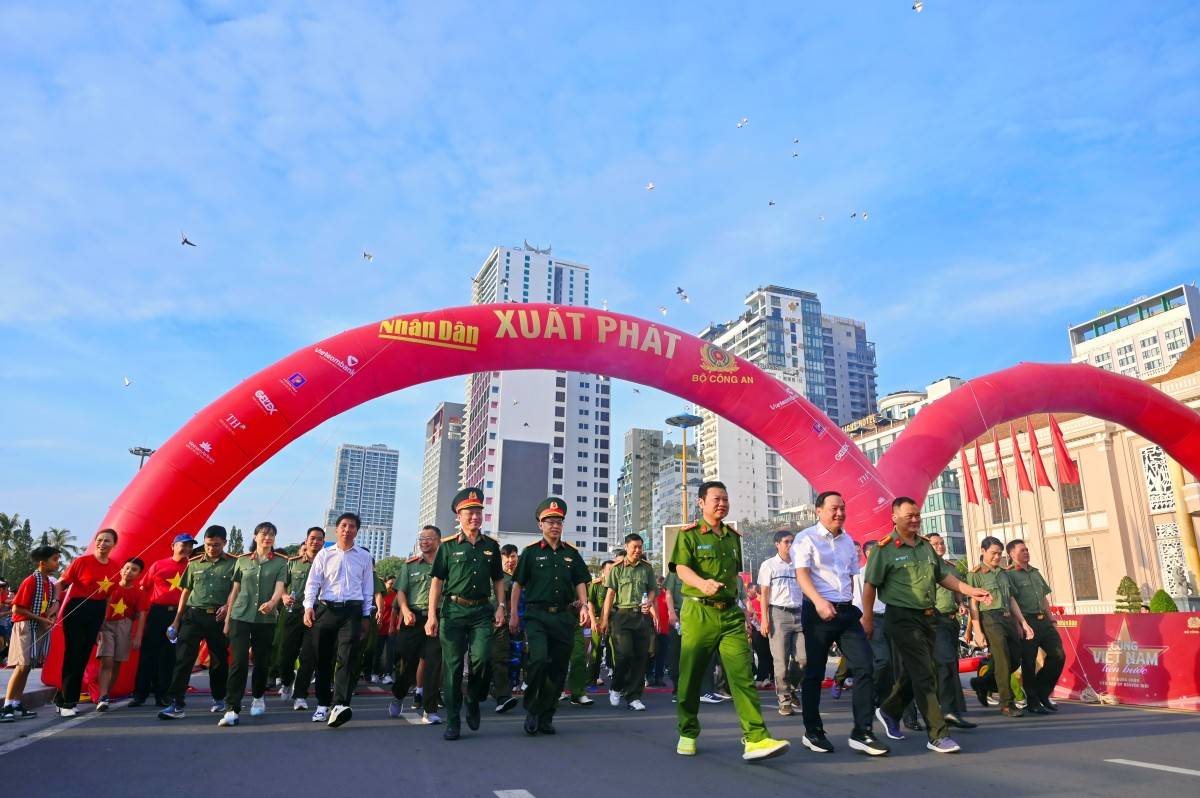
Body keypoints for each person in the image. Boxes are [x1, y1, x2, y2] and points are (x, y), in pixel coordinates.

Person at [671, 480, 790, 761]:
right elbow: (681, 569)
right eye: (716, 499)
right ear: (701, 503)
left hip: (731, 615)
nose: (722, 503)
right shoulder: (688, 535)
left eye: (725, 498)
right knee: (690, 677)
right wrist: (702, 584)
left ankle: (756, 737)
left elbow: (735, 576)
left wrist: (746, 611)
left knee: (743, 675)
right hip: (699, 612)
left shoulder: (733, 536)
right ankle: (687, 731)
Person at [863, 498, 992, 754]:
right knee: (924, 674)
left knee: (924, 669)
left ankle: (889, 711)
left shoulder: (925, 547)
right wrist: (867, 618)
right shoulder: (884, 549)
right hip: (901, 618)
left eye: (917, 515)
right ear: (894, 517)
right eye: (909, 515)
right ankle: (937, 734)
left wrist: (970, 591)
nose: (915, 519)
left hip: (928, 616)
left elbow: (944, 577)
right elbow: (870, 585)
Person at [793, 491, 889, 757]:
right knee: (814, 672)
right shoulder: (805, 539)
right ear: (819, 511)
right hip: (818, 611)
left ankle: (863, 732)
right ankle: (813, 731)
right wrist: (819, 602)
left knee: (865, 667)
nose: (840, 513)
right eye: (834, 508)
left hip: (847, 613)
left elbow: (852, 580)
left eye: (843, 509)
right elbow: (801, 575)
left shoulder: (848, 542)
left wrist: (862, 613)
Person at [425, 488, 505, 741]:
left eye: (479, 512)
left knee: (482, 659)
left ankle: (473, 698)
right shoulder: (448, 547)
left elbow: (498, 580)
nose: (475, 517)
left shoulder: (491, 546)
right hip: (453, 611)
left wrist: (501, 606)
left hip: (482, 611)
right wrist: (431, 616)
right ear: (459, 516)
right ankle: (452, 720)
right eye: (470, 512)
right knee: (453, 667)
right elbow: (437, 582)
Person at [510, 497, 591, 735]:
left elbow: (580, 581)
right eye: (549, 522)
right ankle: (532, 707)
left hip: (564, 617)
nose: (554, 526)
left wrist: (584, 606)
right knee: (538, 659)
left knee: (557, 669)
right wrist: (513, 613)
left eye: (558, 522)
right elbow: (517, 585)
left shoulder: (571, 554)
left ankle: (546, 715)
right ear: (540, 525)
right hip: (537, 616)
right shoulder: (531, 553)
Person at [304, 512, 375, 728]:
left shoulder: (363, 556)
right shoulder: (324, 555)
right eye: (343, 525)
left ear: (357, 530)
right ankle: (323, 704)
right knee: (323, 659)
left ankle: (340, 705)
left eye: (352, 526)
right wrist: (308, 607)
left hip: (351, 612)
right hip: (326, 610)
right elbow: (313, 583)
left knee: (348, 657)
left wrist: (365, 615)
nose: (347, 529)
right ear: (336, 529)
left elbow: (367, 589)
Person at [159, 525, 237, 720]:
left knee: (218, 661)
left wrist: (228, 607)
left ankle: (219, 699)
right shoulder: (194, 563)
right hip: (193, 616)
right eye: (209, 545)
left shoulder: (234, 564)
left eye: (217, 545)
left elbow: (237, 590)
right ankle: (176, 704)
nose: (212, 549)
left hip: (218, 617)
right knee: (183, 659)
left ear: (225, 543)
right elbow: (185, 592)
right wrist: (176, 622)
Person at [218, 522, 288, 727]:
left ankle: (258, 696)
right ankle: (232, 708)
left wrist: (273, 603)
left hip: (265, 619)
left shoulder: (281, 563)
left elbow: (280, 588)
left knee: (261, 661)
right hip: (240, 616)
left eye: (272, 535)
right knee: (238, 662)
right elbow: (235, 591)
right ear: (255, 536)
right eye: (264, 534)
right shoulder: (241, 561)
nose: (267, 537)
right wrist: (228, 620)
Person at [54, 528, 123, 716]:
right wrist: (54, 603)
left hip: (97, 611)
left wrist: (102, 620)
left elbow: (108, 598)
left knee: (83, 656)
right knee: (73, 654)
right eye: (99, 540)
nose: (102, 543)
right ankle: (68, 702)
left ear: (114, 544)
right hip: (77, 609)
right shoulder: (81, 562)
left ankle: (62, 698)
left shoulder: (115, 567)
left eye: (107, 541)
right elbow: (61, 582)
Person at [967, 536, 1034, 718]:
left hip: (1007, 618)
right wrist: (977, 631)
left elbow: (1011, 599)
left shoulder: (1004, 573)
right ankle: (1007, 703)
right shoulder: (975, 574)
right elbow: (973, 603)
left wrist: (1022, 622)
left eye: (999, 553)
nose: (997, 557)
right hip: (990, 618)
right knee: (1002, 659)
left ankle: (982, 684)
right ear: (983, 551)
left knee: (1014, 659)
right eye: (993, 553)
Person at [131, 533, 194, 708]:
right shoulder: (158, 565)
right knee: (148, 654)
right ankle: (140, 694)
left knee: (169, 656)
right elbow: (144, 587)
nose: (187, 549)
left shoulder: (192, 567)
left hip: (179, 615)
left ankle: (164, 695)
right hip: (157, 613)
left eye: (190, 546)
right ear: (173, 546)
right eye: (184, 545)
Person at [389, 525, 443, 724]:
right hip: (413, 619)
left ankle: (430, 709)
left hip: (437, 617)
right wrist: (404, 611)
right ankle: (398, 693)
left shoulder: (445, 564)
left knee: (432, 663)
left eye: (429, 538)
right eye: (421, 538)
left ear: (438, 541)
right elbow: (401, 591)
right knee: (409, 664)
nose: (424, 542)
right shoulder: (410, 565)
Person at [1, 546, 60, 722]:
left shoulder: (48, 583)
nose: (57, 563)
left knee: (27, 667)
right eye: (55, 559)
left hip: (37, 626)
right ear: (42, 563)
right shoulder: (31, 581)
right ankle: (6, 706)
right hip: (26, 626)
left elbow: (48, 605)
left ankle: (17, 703)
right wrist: (40, 619)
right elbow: (17, 608)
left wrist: (50, 615)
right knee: (21, 666)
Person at [1005, 539, 1065, 714]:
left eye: (1027, 550)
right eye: (1022, 550)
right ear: (1011, 554)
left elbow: (1044, 599)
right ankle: (1032, 701)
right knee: (1029, 663)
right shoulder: (1009, 574)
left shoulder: (1035, 572)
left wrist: (1052, 620)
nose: (1026, 552)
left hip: (1044, 621)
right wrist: (1019, 624)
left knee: (1058, 655)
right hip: (1027, 621)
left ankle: (1043, 692)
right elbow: (1011, 601)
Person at [601, 532, 658, 711]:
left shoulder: (647, 568)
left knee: (641, 657)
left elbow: (652, 590)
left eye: (640, 547)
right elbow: (610, 595)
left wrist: (649, 602)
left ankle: (634, 696)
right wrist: (604, 619)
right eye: (634, 547)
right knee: (624, 654)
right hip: (621, 616)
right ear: (626, 547)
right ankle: (616, 687)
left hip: (641, 617)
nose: (638, 550)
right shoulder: (617, 568)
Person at [927, 533, 974, 729]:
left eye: (942, 543)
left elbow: (956, 591)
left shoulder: (950, 568)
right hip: (934, 622)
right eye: (935, 544)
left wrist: (961, 603)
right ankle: (946, 710)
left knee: (949, 664)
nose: (940, 546)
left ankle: (949, 709)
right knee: (944, 663)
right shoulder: (927, 567)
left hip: (952, 621)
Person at [278, 526, 324, 710]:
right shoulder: (293, 563)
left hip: (316, 614)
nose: (315, 542)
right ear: (306, 540)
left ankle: (300, 695)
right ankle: (287, 681)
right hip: (294, 613)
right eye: (312, 538)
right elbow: (281, 585)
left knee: (308, 657)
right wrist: (283, 596)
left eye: (320, 539)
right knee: (286, 655)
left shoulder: (327, 562)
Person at [758, 530, 804, 714]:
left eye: (792, 541)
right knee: (781, 661)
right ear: (777, 544)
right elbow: (764, 595)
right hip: (778, 614)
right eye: (786, 542)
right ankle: (784, 699)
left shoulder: (800, 564)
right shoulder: (769, 565)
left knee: (803, 658)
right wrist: (764, 619)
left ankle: (791, 688)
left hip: (800, 613)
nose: (790, 545)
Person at [95, 557, 149, 712]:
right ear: (121, 570)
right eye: (126, 568)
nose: (129, 572)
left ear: (139, 574)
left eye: (134, 570)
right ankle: (103, 695)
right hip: (106, 625)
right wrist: (97, 628)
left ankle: (106, 695)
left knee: (117, 662)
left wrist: (138, 636)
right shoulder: (110, 587)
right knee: (107, 660)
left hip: (125, 626)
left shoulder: (138, 593)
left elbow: (141, 614)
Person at [489, 543, 520, 713]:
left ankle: (502, 696)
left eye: (513, 556)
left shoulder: (516, 578)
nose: (509, 560)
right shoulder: (491, 575)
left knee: (500, 658)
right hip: (482, 621)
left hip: (503, 624)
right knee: (480, 661)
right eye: (506, 557)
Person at [649, 575, 671, 687]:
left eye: (661, 585)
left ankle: (659, 677)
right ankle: (649, 676)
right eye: (657, 584)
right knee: (651, 654)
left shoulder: (667, 595)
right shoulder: (650, 595)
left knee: (662, 655)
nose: (659, 587)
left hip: (664, 629)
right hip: (652, 629)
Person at [375, 575, 398, 684]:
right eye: (390, 583)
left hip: (391, 627)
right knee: (377, 650)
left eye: (394, 583)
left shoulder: (396, 595)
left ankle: (388, 674)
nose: (392, 586)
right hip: (380, 625)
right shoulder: (380, 595)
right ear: (385, 583)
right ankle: (375, 672)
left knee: (390, 652)